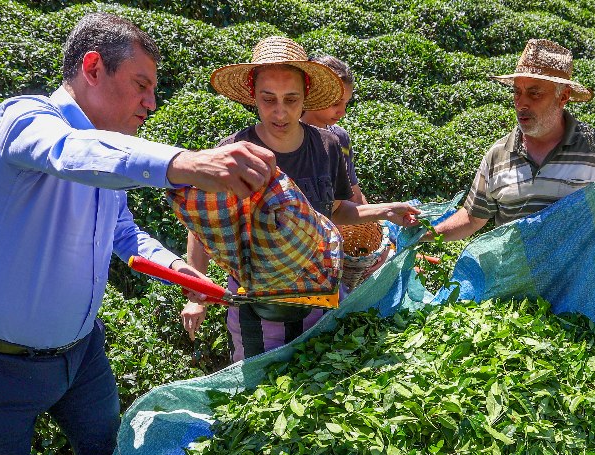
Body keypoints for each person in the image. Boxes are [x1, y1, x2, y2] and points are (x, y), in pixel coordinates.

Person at [0, 12, 278, 455]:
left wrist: (179, 269)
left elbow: (122, 231)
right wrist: (184, 164)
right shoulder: (24, 120)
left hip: (81, 354)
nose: (151, 104)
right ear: (93, 68)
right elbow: (66, 151)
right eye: (141, 85)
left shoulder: (106, 154)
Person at [179, 37, 419, 360]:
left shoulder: (326, 147)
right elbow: (203, 227)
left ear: (306, 96)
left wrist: (388, 211)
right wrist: (197, 292)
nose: (280, 112)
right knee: (262, 398)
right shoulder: (234, 152)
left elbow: (334, 211)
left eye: (291, 99)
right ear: (253, 96)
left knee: (321, 391)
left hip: (321, 301)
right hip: (258, 309)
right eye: (269, 99)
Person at [421, 39, 595, 242]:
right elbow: (472, 219)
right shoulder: (498, 154)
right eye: (517, 92)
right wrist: (422, 236)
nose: (522, 104)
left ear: (562, 97)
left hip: (577, 293)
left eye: (534, 93)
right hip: (513, 292)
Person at [300, 55, 365, 205]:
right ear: (313, 95)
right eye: (336, 103)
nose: (342, 112)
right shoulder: (291, 138)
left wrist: (374, 223)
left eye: (346, 103)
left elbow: (354, 194)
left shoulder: (340, 137)